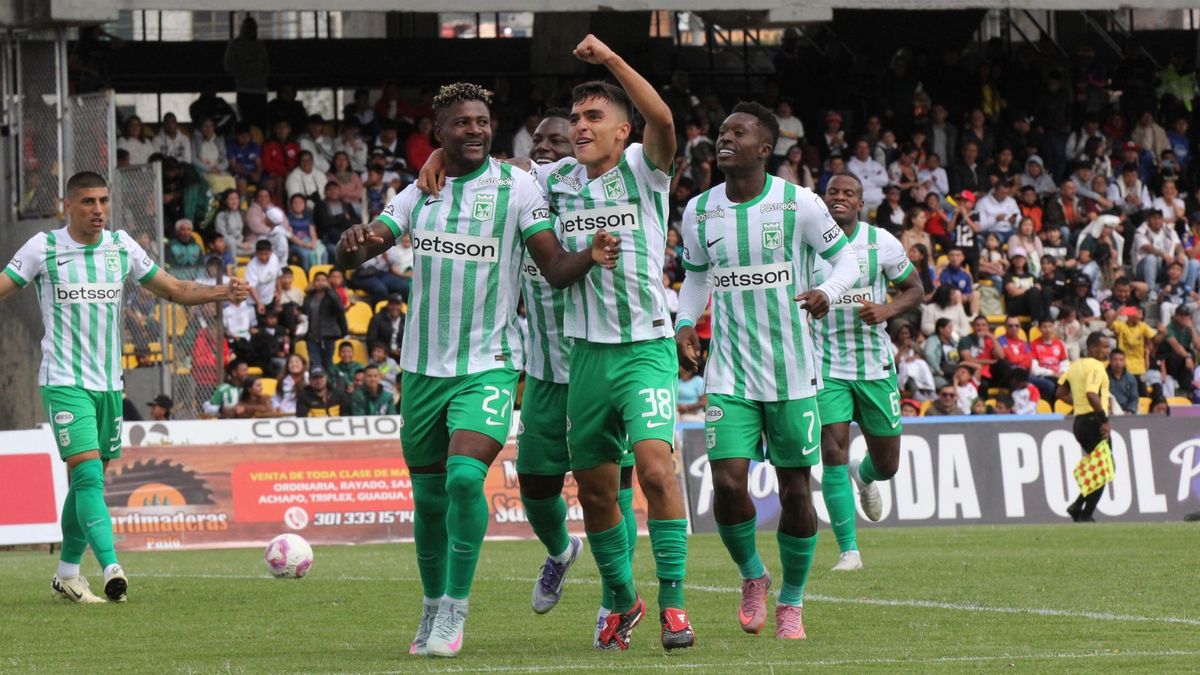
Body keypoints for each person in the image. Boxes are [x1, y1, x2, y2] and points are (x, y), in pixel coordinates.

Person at [339, 79, 617, 657]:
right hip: (420, 369)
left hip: (490, 363)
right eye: (461, 123)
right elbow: (372, 243)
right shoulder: (419, 192)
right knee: (429, 500)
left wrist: (587, 256)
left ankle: (456, 613)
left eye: (482, 121)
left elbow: (553, 263)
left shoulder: (516, 187)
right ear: (437, 134)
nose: (474, 129)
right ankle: (432, 605)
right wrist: (353, 244)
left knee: (466, 478)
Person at [0, 171, 246, 604]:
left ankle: (67, 574)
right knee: (89, 475)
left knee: (84, 484)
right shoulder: (45, 247)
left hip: (109, 383)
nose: (98, 210)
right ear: (68, 206)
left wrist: (222, 291)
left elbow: (173, 288)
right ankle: (112, 566)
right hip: (64, 380)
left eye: (103, 201)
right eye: (88, 202)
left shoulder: (120, 246)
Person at [675, 105, 859, 641]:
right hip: (729, 372)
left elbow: (847, 261)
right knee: (728, 484)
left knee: (797, 492)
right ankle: (753, 575)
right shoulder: (700, 211)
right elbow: (695, 277)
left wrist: (829, 290)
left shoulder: (799, 204)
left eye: (739, 132)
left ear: (764, 149)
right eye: (722, 131)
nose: (724, 138)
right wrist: (686, 321)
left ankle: (793, 602)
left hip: (794, 374)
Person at [812, 171, 925, 572]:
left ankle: (866, 476)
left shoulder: (881, 242)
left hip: (875, 367)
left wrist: (887, 310)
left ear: (861, 203)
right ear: (823, 199)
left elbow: (916, 290)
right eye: (832, 192)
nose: (839, 197)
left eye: (848, 193)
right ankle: (849, 551)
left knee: (888, 464)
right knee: (831, 453)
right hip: (825, 366)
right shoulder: (806, 244)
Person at [1058, 332, 1112, 522]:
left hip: (1079, 422)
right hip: (1093, 423)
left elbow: (1060, 392)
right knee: (1104, 469)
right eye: (1104, 347)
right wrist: (1104, 419)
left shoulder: (1075, 366)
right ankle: (1086, 515)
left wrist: (1079, 403)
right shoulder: (1096, 366)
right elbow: (1092, 394)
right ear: (1093, 348)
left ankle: (1078, 505)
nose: (1108, 351)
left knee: (1097, 467)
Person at [224, 17, 269, 131]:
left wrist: (262, 79)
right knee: (246, 122)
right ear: (242, 28)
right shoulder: (235, 44)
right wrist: (241, 75)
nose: (251, 31)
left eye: (253, 28)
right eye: (248, 28)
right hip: (244, 89)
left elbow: (266, 65)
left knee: (261, 122)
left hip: (260, 90)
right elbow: (229, 65)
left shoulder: (260, 44)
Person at [302, 271, 347, 372]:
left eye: (323, 280)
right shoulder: (309, 297)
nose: (320, 282)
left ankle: (330, 385)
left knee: (328, 362)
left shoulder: (332, 296)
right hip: (312, 334)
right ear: (313, 282)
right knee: (315, 362)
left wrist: (329, 290)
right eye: (317, 280)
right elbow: (304, 312)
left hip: (328, 334)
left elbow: (340, 309)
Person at [1109, 306, 1155, 383]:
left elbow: (1153, 338)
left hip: (1139, 367)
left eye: (1141, 314)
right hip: (1123, 366)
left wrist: (1148, 349)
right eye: (1139, 313)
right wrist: (1117, 313)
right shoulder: (1121, 325)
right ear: (1130, 315)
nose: (1141, 317)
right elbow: (1109, 326)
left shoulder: (1143, 326)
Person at [366, 293, 405, 361]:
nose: (395, 307)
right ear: (388, 305)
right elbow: (371, 340)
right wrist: (389, 351)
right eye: (392, 304)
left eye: (397, 305)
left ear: (401, 306)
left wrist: (401, 350)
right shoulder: (377, 319)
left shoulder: (405, 320)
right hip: (383, 356)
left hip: (401, 356)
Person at [1107, 349, 1139, 415]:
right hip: (1109, 411)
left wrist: (1130, 411)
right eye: (1115, 360)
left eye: (1121, 360)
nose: (1118, 363)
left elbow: (1134, 398)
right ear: (1110, 361)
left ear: (1124, 361)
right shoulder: (1104, 376)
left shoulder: (1131, 378)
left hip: (1127, 411)